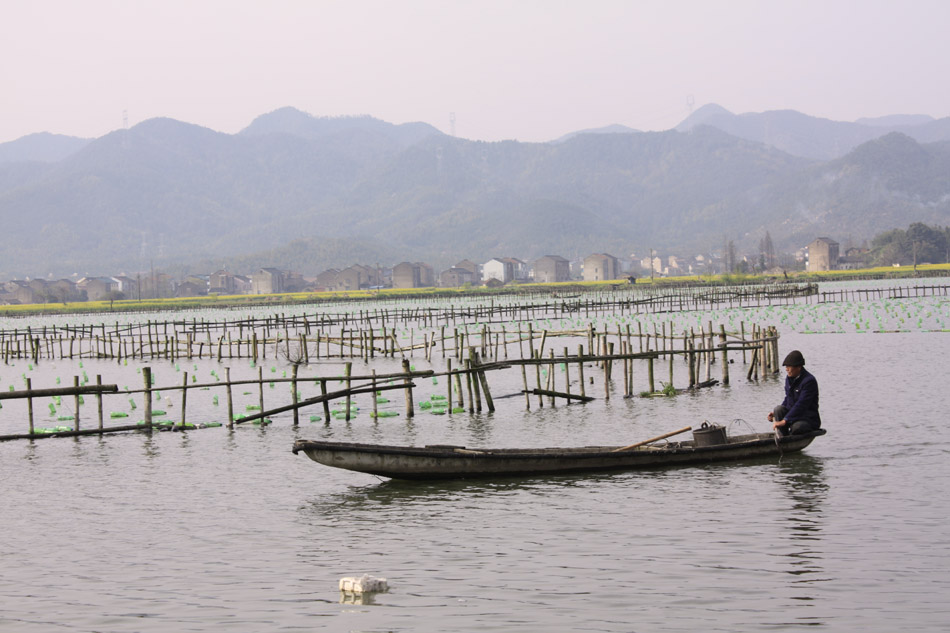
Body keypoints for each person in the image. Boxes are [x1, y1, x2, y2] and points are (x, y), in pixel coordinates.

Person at [768, 350, 821, 435]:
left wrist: (785, 420)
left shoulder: (809, 381)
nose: (786, 369)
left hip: (807, 419)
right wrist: (774, 414)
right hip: (792, 416)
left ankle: (790, 438)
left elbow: (801, 404)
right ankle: (782, 437)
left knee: (797, 427)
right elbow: (788, 398)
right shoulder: (789, 378)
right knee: (778, 409)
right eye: (786, 366)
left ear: (799, 367)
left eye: (789, 366)